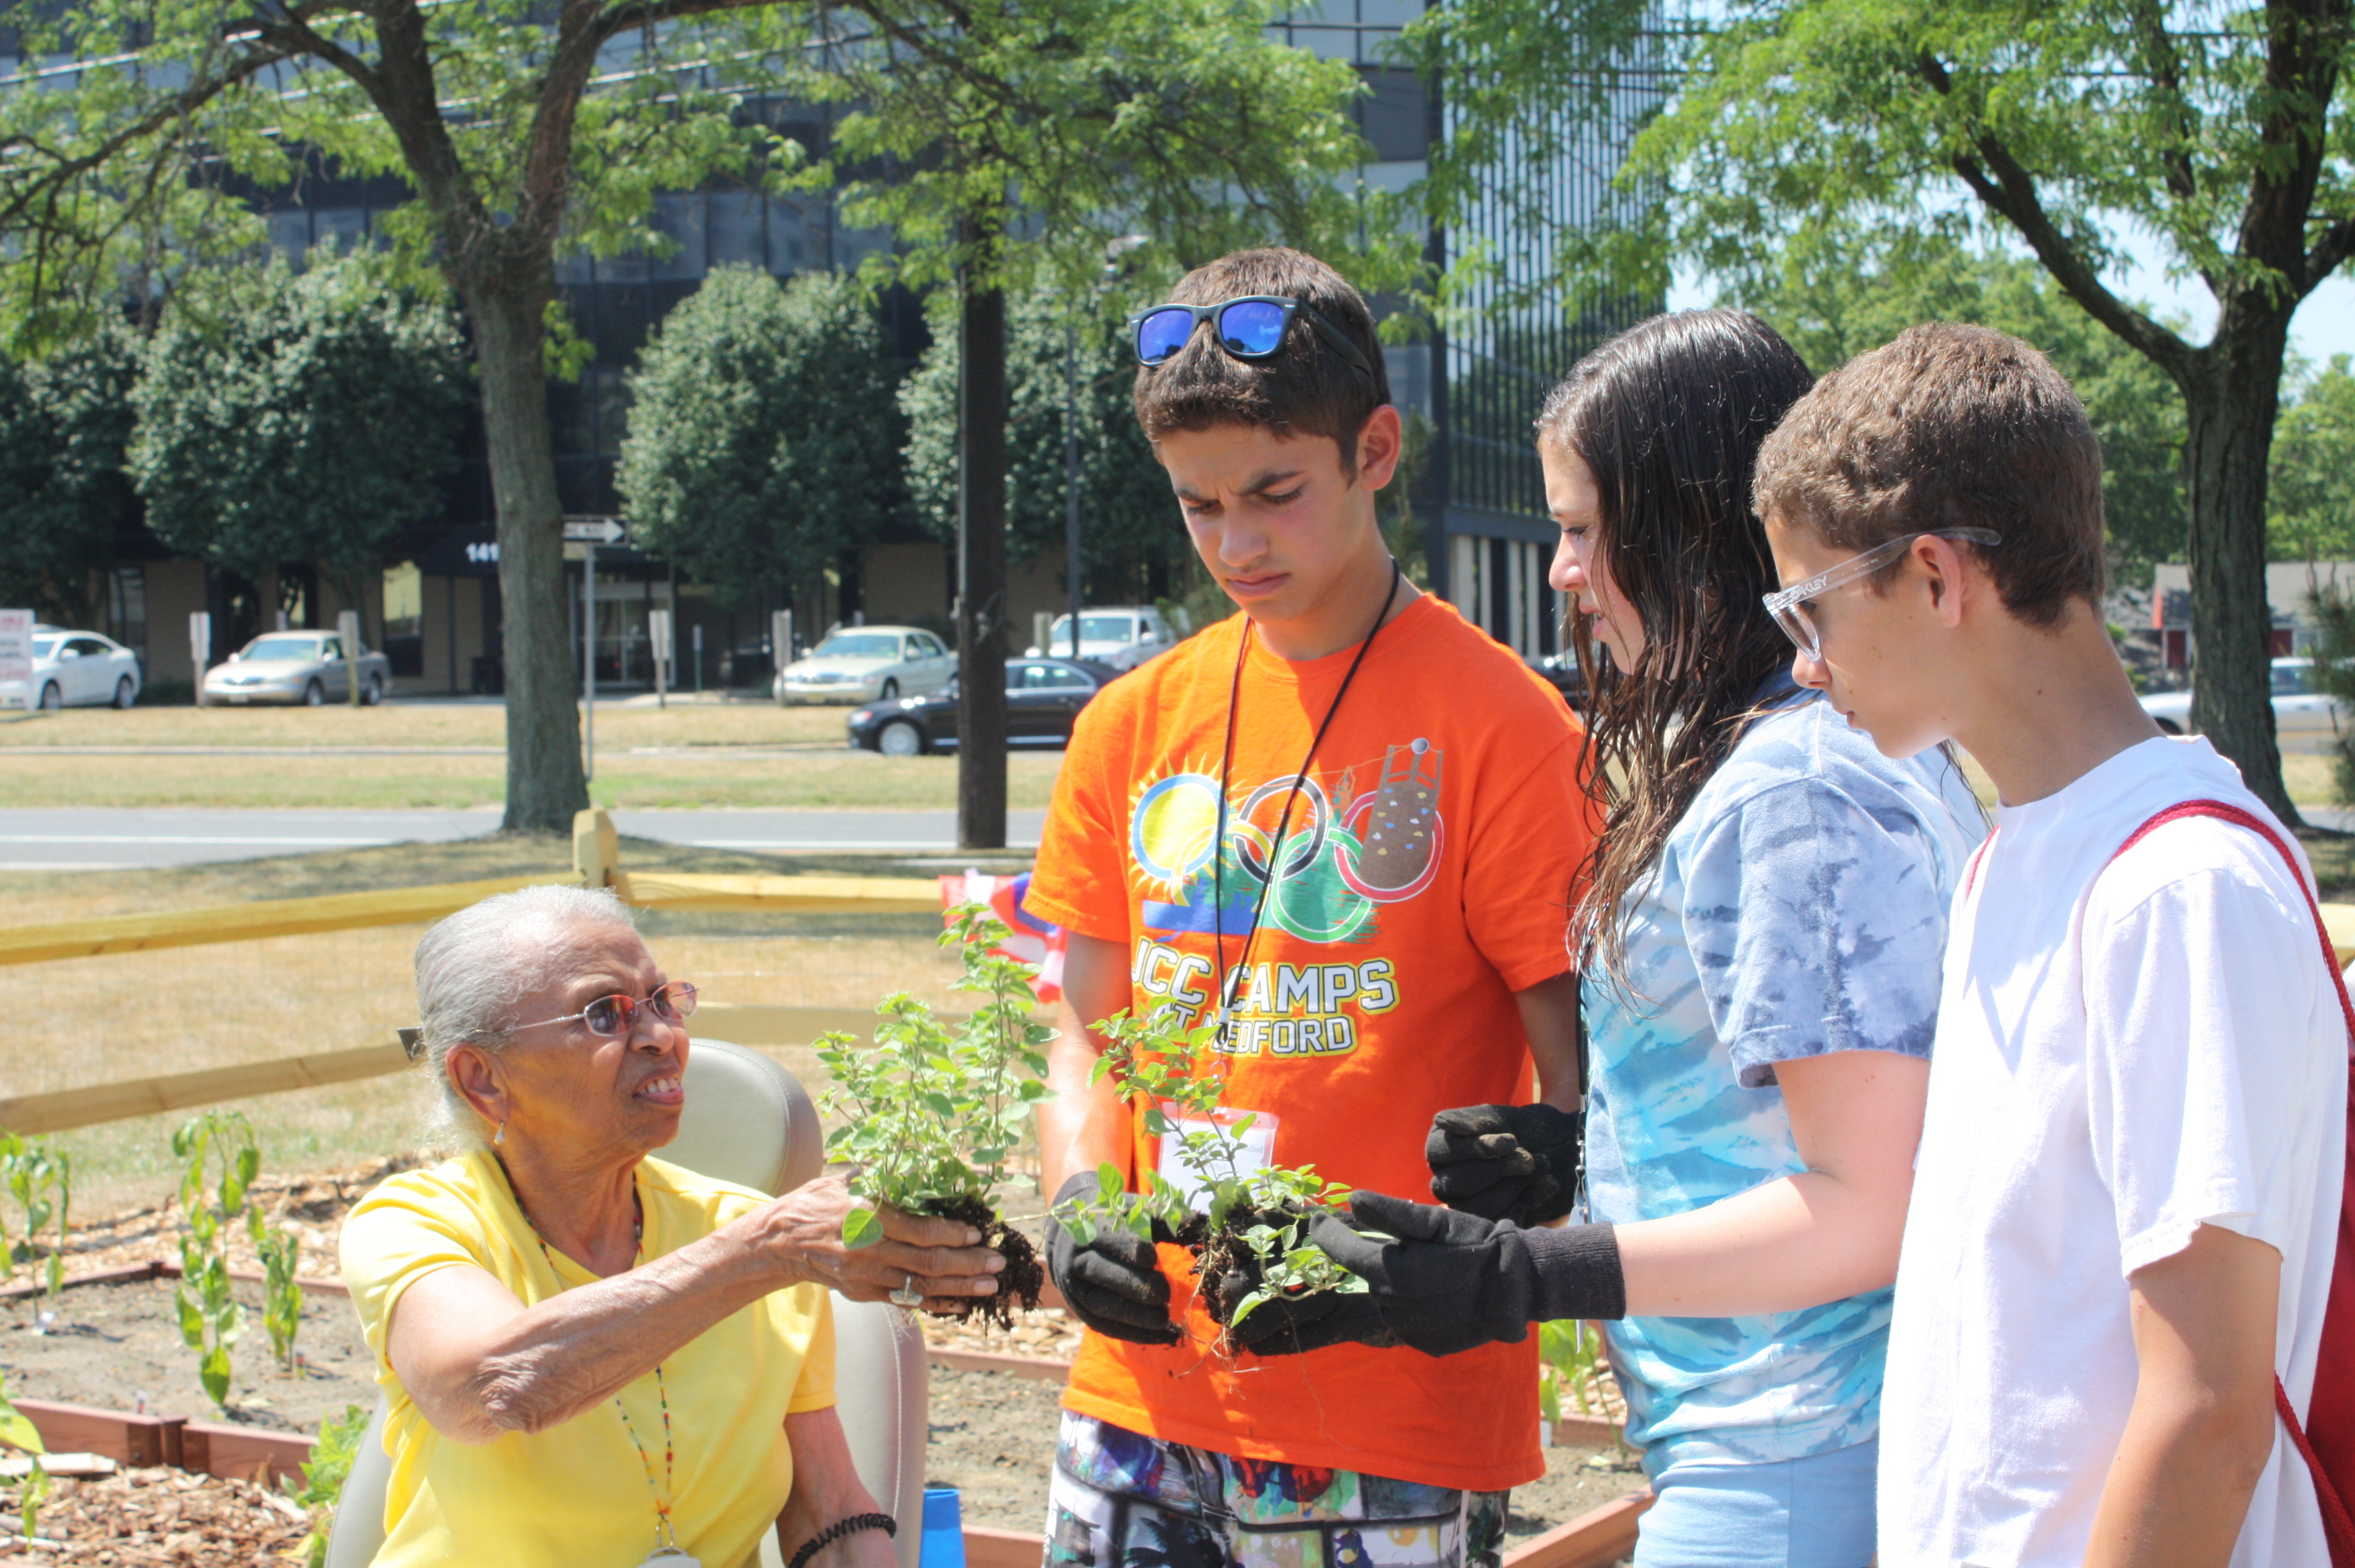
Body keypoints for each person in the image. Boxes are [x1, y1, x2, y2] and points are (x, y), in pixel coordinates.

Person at [1275, 310, 1987, 1568]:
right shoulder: (1792, 755)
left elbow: (1869, 1202)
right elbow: (1781, 1109)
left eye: (1581, 528)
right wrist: (1580, 1152)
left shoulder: (1795, 791)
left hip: (1795, 1450)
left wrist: (1526, 1271)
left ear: (1692, 527)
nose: (1561, 571)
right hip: (1771, 1443)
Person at [1021, 246, 1595, 1568]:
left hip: (1388, 1399)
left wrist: (1552, 1156)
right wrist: (1074, 1203)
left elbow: (1583, 1086)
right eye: (1198, 504)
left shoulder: (1505, 725)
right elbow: (1083, 1027)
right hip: (1141, 1387)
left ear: (1375, 450)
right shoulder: (1129, 722)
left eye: (1274, 493)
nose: (1235, 543)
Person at [1752, 323, 2345, 1566]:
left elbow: (2205, 1414)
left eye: (1808, 607)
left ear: (1933, 576)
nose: (1803, 666)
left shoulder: (2175, 887)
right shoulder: (2016, 854)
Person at [338, 884, 1007, 1568]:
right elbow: (487, 1388)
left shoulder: (750, 1233)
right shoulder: (417, 1221)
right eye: (605, 1013)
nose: (662, 1035)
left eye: (661, 1000)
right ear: (482, 1077)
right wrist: (763, 1254)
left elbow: (829, 1512)